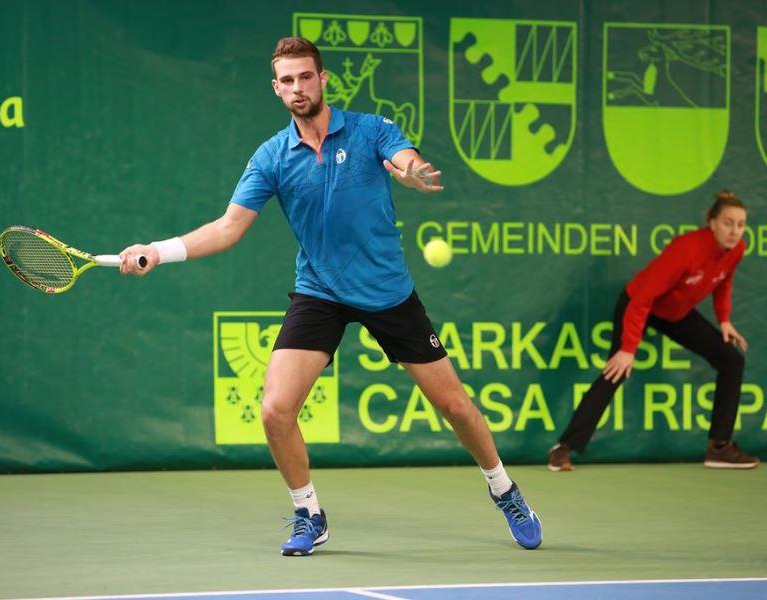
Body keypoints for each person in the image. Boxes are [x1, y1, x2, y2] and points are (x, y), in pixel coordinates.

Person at [119, 37, 542, 555]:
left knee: (454, 405)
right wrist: (158, 251)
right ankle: (309, 514)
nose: (298, 87)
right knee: (275, 409)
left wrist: (410, 171)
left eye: (305, 76)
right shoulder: (271, 157)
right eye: (287, 80)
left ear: (322, 79)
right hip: (320, 291)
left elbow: (404, 158)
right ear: (277, 89)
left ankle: (504, 490)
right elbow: (228, 228)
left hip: (387, 291)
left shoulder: (370, 129)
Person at [548, 190, 760, 472]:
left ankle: (719, 448)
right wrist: (628, 349)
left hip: (675, 313)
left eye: (741, 224)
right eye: (728, 223)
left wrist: (724, 320)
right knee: (616, 370)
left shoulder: (737, 249)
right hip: (638, 304)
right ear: (712, 223)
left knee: (732, 359)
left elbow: (723, 282)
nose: (735, 231)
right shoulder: (686, 249)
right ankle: (563, 448)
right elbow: (641, 300)